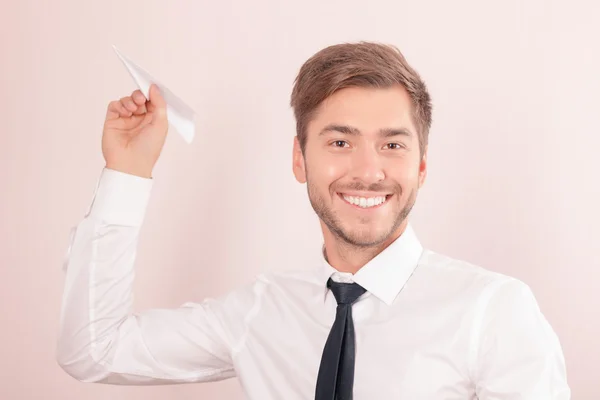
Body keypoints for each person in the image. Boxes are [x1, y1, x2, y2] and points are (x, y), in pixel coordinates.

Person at [56, 42, 570, 399]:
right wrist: (127, 172)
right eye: (340, 142)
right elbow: (95, 352)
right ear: (300, 160)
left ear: (420, 166)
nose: (368, 171)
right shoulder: (260, 312)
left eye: (392, 144)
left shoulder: (493, 312)